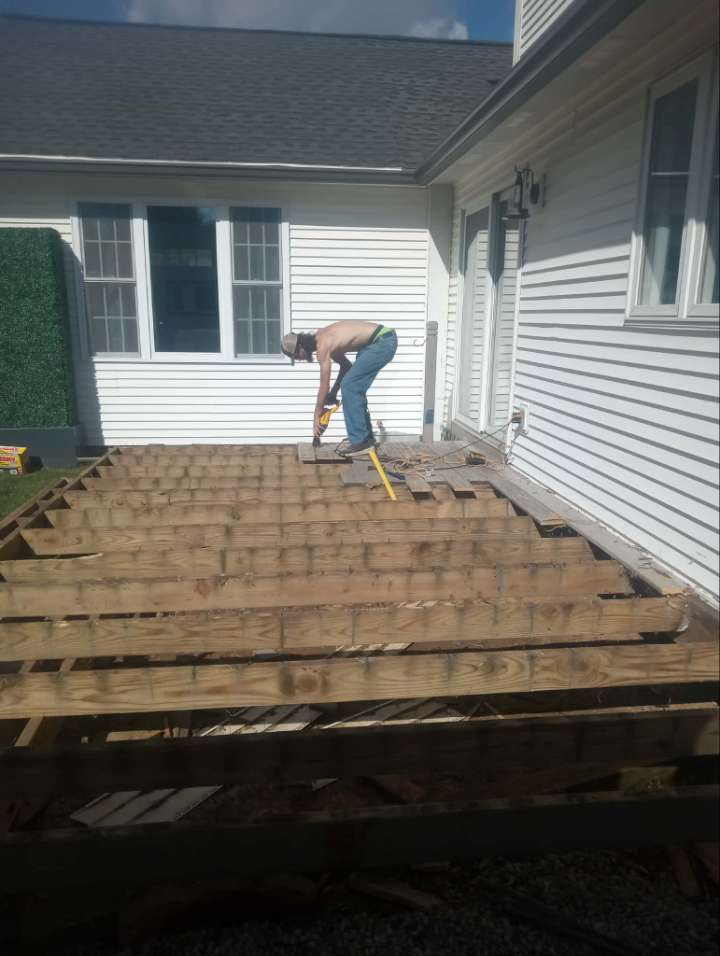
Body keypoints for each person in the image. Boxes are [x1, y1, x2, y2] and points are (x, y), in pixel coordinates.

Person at [281, 321, 397, 457]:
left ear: (300, 347)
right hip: (376, 342)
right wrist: (333, 394)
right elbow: (346, 366)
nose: (298, 359)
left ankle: (361, 440)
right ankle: (366, 437)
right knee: (352, 385)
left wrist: (317, 415)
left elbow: (324, 384)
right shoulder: (324, 339)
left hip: (382, 341)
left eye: (295, 356)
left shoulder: (322, 346)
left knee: (350, 386)